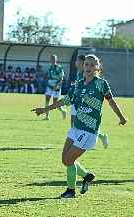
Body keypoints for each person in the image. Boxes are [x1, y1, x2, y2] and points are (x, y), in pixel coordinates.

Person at [32, 54, 127, 198]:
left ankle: (71, 191)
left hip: (89, 131)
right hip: (75, 128)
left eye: (92, 65)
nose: (88, 67)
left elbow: (111, 102)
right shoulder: (78, 84)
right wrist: (44, 110)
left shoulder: (101, 84)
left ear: (97, 68)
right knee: (65, 160)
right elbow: (64, 101)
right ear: (83, 66)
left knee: (69, 160)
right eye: (86, 64)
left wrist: (121, 117)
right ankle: (87, 175)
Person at [68, 54, 109, 148]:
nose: (76, 62)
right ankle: (77, 141)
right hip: (76, 102)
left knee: (78, 123)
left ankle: (78, 143)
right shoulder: (79, 73)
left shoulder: (87, 74)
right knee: (75, 123)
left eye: (78, 61)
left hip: (83, 103)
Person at [43, 55, 67, 120]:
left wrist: (56, 86)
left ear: (56, 60)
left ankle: (63, 111)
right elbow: (48, 77)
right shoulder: (50, 68)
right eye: (51, 59)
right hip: (49, 86)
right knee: (47, 101)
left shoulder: (59, 68)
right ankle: (47, 116)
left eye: (54, 59)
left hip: (57, 87)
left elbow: (61, 78)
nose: (53, 60)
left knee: (55, 104)